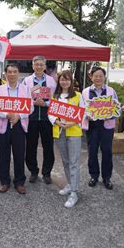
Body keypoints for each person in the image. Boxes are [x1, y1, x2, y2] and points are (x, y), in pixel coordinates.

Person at [0, 63, 32, 194]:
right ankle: (4, 181)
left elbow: (30, 107)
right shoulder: (0, 89)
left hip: (19, 126)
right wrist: (7, 114)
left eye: (14, 72)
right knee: (3, 155)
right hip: (4, 125)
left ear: (18, 73)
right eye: (9, 72)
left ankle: (19, 182)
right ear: (5, 74)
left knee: (19, 154)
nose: (12, 74)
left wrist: (19, 116)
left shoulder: (25, 89)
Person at [48, 70, 84, 208]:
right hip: (59, 131)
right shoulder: (55, 96)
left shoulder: (78, 96)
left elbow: (83, 112)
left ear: (71, 81)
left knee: (74, 162)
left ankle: (74, 192)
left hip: (73, 132)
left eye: (67, 79)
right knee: (65, 161)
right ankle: (70, 184)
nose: (64, 82)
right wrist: (57, 122)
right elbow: (51, 113)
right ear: (59, 81)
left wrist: (73, 122)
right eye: (62, 79)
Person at [22, 55, 57, 184]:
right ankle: (33, 171)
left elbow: (55, 100)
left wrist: (46, 104)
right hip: (31, 118)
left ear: (45, 66)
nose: (39, 67)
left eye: (41, 64)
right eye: (36, 64)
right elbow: (24, 97)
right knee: (31, 146)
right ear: (33, 66)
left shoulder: (51, 81)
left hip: (47, 118)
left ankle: (47, 173)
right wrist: (33, 102)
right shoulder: (26, 81)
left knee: (48, 146)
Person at [81, 66, 117, 190]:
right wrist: (87, 116)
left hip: (107, 126)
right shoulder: (85, 92)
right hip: (92, 125)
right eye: (95, 76)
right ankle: (94, 175)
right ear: (91, 77)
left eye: (100, 76)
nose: (98, 78)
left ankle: (107, 177)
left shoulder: (111, 91)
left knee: (107, 151)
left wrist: (110, 114)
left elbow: (115, 108)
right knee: (92, 151)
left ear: (104, 77)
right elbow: (82, 108)